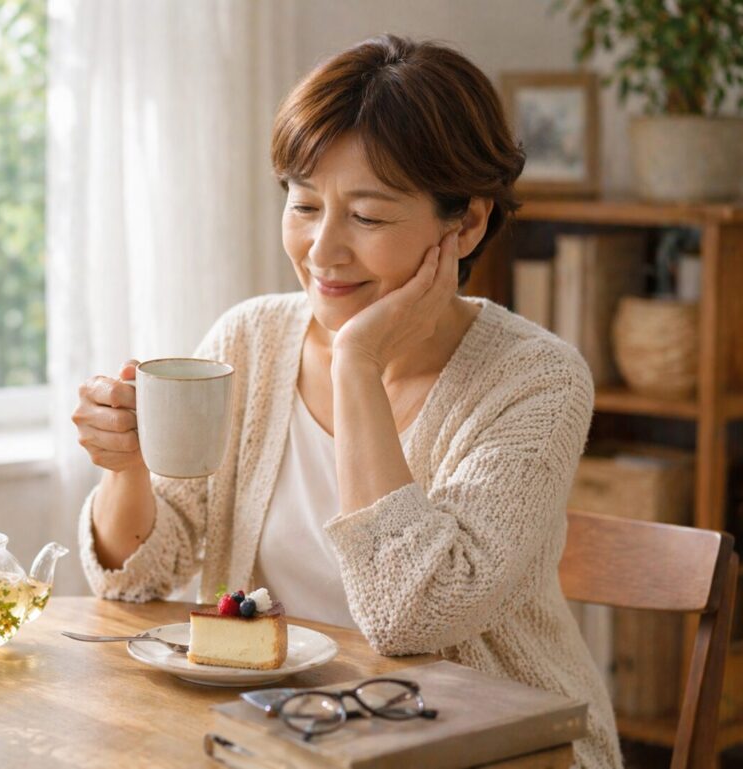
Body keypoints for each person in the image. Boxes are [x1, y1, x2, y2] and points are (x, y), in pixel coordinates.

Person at [71, 34, 621, 769]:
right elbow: (136, 579)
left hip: (497, 749)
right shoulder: (253, 339)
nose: (322, 250)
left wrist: (358, 365)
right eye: (304, 204)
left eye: (367, 216)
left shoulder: (537, 381)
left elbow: (411, 616)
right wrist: (127, 465)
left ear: (466, 224)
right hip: (292, 738)